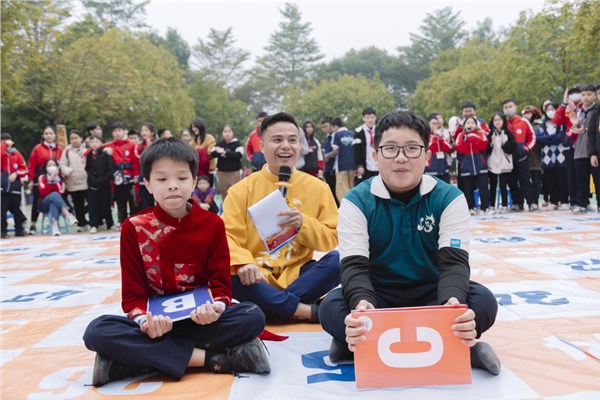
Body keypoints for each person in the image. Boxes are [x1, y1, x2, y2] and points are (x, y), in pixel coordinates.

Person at [318, 110, 501, 376]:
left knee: (483, 301)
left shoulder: (449, 197)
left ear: (427, 156)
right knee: (331, 307)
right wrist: (362, 304)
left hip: (433, 292)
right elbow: (354, 265)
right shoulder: (355, 201)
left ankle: (359, 344)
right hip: (377, 295)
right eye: (390, 148)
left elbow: (454, 262)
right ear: (376, 155)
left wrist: (452, 304)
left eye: (412, 148)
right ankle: (455, 345)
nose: (401, 157)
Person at [82, 138, 270, 387]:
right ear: (147, 184)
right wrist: (145, 322)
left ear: (194, 181)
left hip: (201, 321)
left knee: (252, 315)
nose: (172, 185)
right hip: (156, 326)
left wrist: (215, 309)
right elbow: (133, 297)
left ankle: (133, 362)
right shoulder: (133, 228)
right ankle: (213, 359)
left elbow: (221, 287)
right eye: (162, 179)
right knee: (97, 331)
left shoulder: (212, 224)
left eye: (181, 178)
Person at [222, 112, 340, 323]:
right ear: (262, 146)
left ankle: (273, 307)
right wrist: (244, 264)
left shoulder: (318, 188)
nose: (286, 146)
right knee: (229, 277)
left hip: (299, 274)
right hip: (257, 275)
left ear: (300, 146)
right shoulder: (241, 190)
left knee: (339, 261)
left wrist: (303, 224)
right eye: (277, 140)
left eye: (292, 140)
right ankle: (306, 311)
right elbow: (226, 236)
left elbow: (331, 238)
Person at [27, 126, 63, 234]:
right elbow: (31, 164)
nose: (49, 135)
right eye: (46, 133)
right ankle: (33, 225)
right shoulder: (37, 148)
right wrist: (31, 180)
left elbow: (63, 164)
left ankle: (56, 223)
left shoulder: (60, 149)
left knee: (58, 198)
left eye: (51, 133)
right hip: (40, 178)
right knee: (36, 201)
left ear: (54, 135)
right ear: (43, 135)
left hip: (56, 178)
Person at [568, 84, 599, 212]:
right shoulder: (577, 112)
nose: (586, 97)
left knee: (597, 179)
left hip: (594, 150)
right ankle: (582, 204)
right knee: (581, 180)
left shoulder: (597, 110)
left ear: (595, 95)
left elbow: (594, 129)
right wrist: (575, 126)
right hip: (579, 150)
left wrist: (584, 130)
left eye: (589, 94)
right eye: (583, 95)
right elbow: (570, 133)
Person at [503, 98, 537, 212]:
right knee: (511, 182)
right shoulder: (503, 123)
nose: (508, 109)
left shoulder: (523, 122)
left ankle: (531, 202)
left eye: (510, 106)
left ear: (516, 107)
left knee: (525, 180)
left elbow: (532, 136)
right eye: (505, 107)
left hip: (522, 157)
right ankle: (517, 203)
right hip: (508, 158)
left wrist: (526, 148)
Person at [455, 117, 492, 215]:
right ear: (464, 125)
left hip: (481, 166)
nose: (470, 125)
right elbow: (459, 148)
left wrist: (473, 137)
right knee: (468, 189)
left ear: (476, 125)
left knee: (483, 188)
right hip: (466, 167)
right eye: (468, 123)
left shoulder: (480, 134)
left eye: (472, 123)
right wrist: (467, 139)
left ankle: (485, 207)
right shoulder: (460, 135)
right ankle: (471, 207)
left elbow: (484, 145)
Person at [536, 100, 568, 210]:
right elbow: (539, 139)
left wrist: (548, 139)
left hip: (561, 155)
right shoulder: (541, 126)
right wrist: (553, 138)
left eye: (553, 109)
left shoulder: (562, 124)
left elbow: (561, 137)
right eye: (548, 110)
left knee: (562, 178)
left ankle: (564, 201)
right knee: (549, 179)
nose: (550, 111)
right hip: (547, 156)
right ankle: (553, 201)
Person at [105, 122, 138, 227]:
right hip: (117, 178)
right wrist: (105, 150)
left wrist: (136, 175)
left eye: (119, 131)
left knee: (132, 201)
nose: (117, 133)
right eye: (115, 131)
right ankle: (122, 223)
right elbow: (92, 150)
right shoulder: (109, 145)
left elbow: (135, 162)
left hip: (130, 177)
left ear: (124, 131)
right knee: (120, 201)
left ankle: (134, 222)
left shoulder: (131, 145)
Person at [37, 159, 78, 236]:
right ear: (45, 167)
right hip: (44, 203)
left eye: (53, 165)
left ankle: (55, 226)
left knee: (53, 203)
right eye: (49, 165)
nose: (51, 167)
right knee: (54, 195)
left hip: (57, 203)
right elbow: (43, 192)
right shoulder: (42, 177)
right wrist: (50, 181)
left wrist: (55, 180)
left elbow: (61, 192)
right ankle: (68, 214)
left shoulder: (60, 179)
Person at [487, 113, 517, 213]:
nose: (497, 122)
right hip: (492, 163)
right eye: (495, 120)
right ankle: (491, 205)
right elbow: (486, 150)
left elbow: (512, 149)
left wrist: (504, 143)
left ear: (503, 121)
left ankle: (504, 205)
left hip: (504, 163)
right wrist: (491, 143)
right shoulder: (490, 134)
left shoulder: (508, 134)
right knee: (492, 185)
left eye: (499, 120)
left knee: (503, 185)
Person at [59, 129, 89, 232]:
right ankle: (82, 224)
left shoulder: (87, 149)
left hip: (87, 180)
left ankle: (95, 222)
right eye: (71, 139)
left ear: (81, 138)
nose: (74, 140)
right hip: (73, 181)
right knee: (77, 204)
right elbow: (62, 164)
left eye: (76, 138)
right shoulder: (67, 151)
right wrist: (68, 171)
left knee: (92, 203)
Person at [85, 135, 115, 234]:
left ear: (101, 143)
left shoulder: (106, 155)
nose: (94, 144)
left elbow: (111, 169)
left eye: (96, 142)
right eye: (92, 142)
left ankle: (109, 223)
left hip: (104, 184)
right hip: (92, 184)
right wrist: (92, 179)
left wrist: (103, 179)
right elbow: (87, 169)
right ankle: (93, 224)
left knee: (106, 205)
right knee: (92, 205)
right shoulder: (89, 156)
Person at [1, 133, 28, 238]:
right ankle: (3, 231)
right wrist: (3, 146)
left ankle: (19, 230)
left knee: (16, 208)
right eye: (3, 142)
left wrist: (16, 173)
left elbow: (24, 169)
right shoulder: (1, 154)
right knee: (2, 209)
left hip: (15, 187)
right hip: (2, 188)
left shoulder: (17, 154)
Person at [210, 125, 243, 201]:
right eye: (225, 132)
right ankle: (225, 208)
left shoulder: (237, 144)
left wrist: (224, 152)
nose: (227, 133)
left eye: (229, 131)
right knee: (224, 195)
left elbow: (238, 155)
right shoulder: (219, 144)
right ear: (222, 133)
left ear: (233, 133)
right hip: (222, 173)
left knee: (236, 194)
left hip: (234, 173)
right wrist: (219, 152)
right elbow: (212, 154)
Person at [521, 106, 544, 210]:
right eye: (525, 113)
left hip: (536, 158)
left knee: (536, 181)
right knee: (525, 181)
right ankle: (527, 201)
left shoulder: (538, 126)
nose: (527, 116)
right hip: (523, 157)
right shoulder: (521, 125)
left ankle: (535, 201)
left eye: (529, 113)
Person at [331, 117, 356, 201]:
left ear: (335, 126)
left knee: (342, 190)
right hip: (353, 165)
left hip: (341, 165)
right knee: (352, 187)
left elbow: (335, 150)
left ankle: (346, 207)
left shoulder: (337, 134)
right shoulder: (352, 133)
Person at [352, 107, 379, 185]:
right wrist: (359, 165)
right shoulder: (358, 132)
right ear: (363, 118)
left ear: (375, 118)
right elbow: (356, 150)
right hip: (365, 164)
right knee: (366, 184)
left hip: (377, 164)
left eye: (372, 117)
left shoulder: (379, 130)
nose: (370, 120)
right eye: (367, 118)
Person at [135, 122, 157, 211]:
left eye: (146, 130)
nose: (143, 132)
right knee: (146, 200)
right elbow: (138, 160)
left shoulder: (158, 144)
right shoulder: (139, 146)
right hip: (143, 176)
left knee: (159, 199)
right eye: (142, 130)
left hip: (156, 175)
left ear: (152, 132)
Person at [425, 114, 452, 183]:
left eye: (437, 124)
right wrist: (434, 138)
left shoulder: (440, 136)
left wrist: (441, 139)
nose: (435, 126)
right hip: (431, 168)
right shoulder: (425, 136)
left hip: (443, 167)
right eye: (433, 123)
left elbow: (449, 148)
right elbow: (428, 148)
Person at [190, 118, 217, 186]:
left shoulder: (209, 138)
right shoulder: (193, 140)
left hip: (209, 169)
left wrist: (199, 150)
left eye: (195, 126)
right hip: (198, 170)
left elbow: (210, 153)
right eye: (192, 127)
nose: (193, 129)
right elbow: (190, 151)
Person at [321, 117, 339, 206]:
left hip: (335, 169)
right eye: (323, 127)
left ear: (332, 125)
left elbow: (336, 151)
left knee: (336, 192)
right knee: (330, 191)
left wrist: (327, 156)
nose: (325, 129)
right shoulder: (327, 138)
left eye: (326, 126)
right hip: (327, 168)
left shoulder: (336, 136)